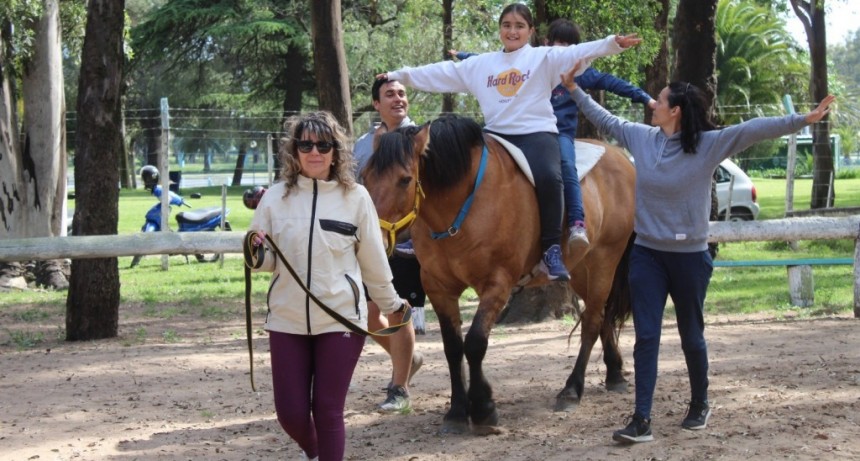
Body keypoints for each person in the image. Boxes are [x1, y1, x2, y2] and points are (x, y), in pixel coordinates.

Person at [561, 64, 836, 444]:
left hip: (690, 257)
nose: (652, 104)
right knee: (647, 337)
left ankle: (700, 402)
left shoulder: (709, 145)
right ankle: (641, 419)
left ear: (675, 110)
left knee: (692, 335)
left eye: (659, 100)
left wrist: (801, 119)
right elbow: (602, 117)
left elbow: (753, 128)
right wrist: (573, 88)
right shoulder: (641, 137)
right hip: (647, 255)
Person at [378, 3, 640, 281]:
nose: (512, 31)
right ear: (500, 29)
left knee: (551, 177)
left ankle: (551, 249)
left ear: (530, 31)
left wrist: (613, 43)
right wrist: (398, 75)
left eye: (519, 26)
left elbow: (579, 51)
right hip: (494, 136)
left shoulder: (544, 57)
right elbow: (439, 72)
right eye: (506, 25)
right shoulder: (481, 64)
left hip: (537, 135)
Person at [248, 111, 410, 461]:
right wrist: (256, 253)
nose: (314, 151)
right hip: (287, 319)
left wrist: (391, 302)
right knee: (290, 414)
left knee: (328, 410)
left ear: (336, 151)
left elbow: (373, 261)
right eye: (305, 144)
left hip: (340, 320)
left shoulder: (357, 199)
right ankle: (317, 453)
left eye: (323, 144)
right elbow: (266, 261)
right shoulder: (274, 199)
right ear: (294, 151)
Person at [449, 18, 655, 248]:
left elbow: (612, 82)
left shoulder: (579, 72)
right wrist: (463, 56)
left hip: (559, 135)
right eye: (559, 43)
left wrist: (646, 98)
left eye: (570, 46)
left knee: (567, 166)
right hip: (526, 133)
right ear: (547, 42)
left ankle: (577, 221)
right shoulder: (534, 64)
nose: (563, 50)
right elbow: (490, 63)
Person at [353, 77, 425, 412]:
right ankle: (409, 356)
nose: (397, 99)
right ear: (376, 104)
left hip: (409, 243)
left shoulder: (423, 140)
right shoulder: (363, 145)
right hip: (371, 241)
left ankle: (399, 389)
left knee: (400, 312)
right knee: (369, 318)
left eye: (402, 93)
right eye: (389, 95)